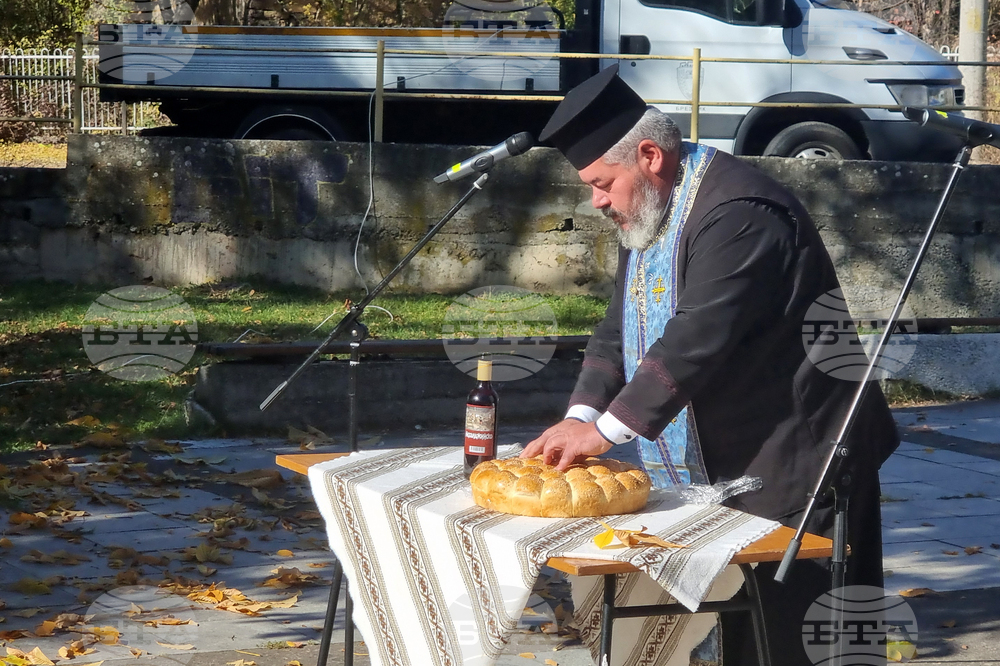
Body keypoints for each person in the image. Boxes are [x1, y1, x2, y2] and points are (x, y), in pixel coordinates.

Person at [520, 64, 900, 666]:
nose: (597, 201)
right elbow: (619, 327)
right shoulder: (654, 206)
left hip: (802, 459)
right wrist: (581, 413)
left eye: (602, 183)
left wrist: (607, 432)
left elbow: (698, 335)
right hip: (732, 457)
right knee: (728, 640)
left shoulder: (741, 212)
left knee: (797, 642)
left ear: (649, 156)